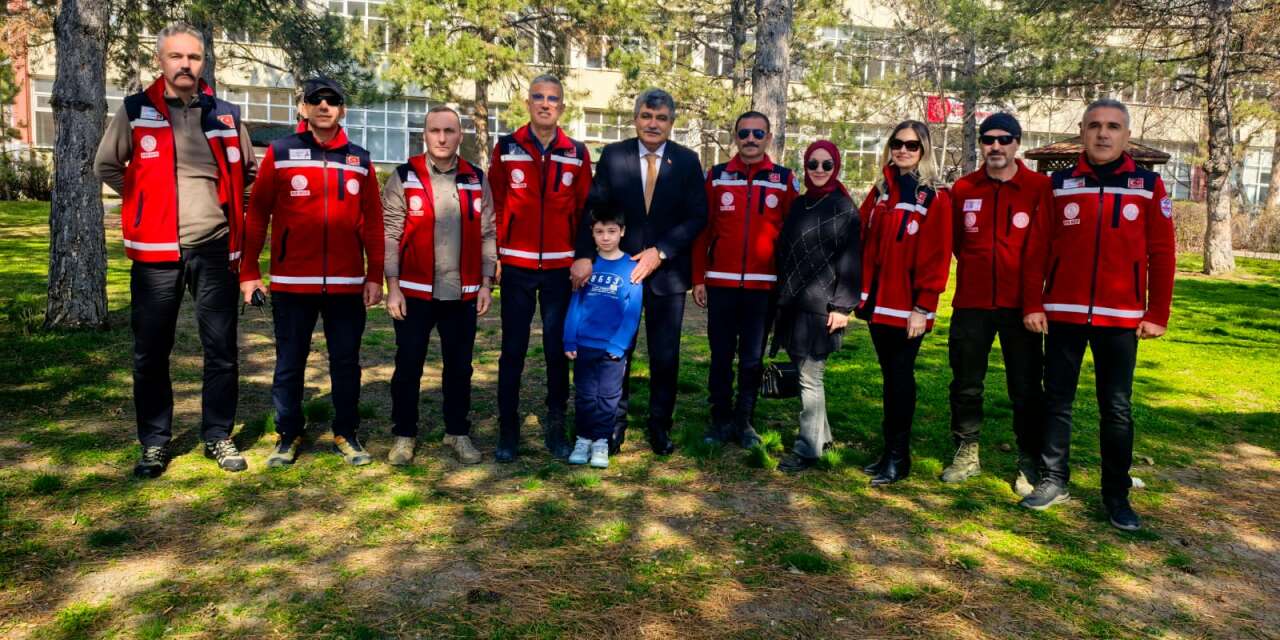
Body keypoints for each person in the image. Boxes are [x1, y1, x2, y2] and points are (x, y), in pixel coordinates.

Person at [94, 23, 257, 477]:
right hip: (154, 252)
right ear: (161, 61)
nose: (185, 65)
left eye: (194, 57)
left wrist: (234, 219)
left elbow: (247, 176)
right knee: (150, 351)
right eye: (176, 57)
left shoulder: (225, 114)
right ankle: (153, 441)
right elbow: (106, 164)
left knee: (221, 350)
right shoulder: (135, 111)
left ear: (203, 62)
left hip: (215, 250)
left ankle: (218, 435)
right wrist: (145, 199)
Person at [1020, 99, 1175, 531]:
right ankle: (1053, 480)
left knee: (1117, 409)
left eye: (1112, 127)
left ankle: (1116, 495)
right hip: (1064, 313)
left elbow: (1163, 254)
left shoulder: (1148, 185)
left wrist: (1157, 311)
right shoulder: (1060, 183)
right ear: (1082, 132)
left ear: (1127, 135)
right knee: (1057, 401)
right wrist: (1033, 302)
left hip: (1121, 318)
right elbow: (1037, 248)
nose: (1103, 134)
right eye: (1094, 126)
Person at [240, 77, 384, 468]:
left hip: (347, 283)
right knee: (290, 362)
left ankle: (346, 432)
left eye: (332, 100)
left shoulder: (360, 160)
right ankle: (287, 434)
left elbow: (373, 222)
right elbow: (257, 215)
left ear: (342, 110)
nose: (324, 106)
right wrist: (248, 271)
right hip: (291, 282)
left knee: (346, 362)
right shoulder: (281, 152)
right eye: (316, 100)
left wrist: (375, 277)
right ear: (302, 107)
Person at [572, 88, 708, 456]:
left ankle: (660, 426)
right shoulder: (614, 156)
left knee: (665, 356)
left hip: (666, 275)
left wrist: (660, 252)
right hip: (618, 276)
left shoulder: (686, 160)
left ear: (671, 124)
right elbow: (596, 208)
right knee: (616, 352)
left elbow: (698, 216)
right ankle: (611, 427)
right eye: (647, 116)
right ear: (636, 119)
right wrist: (586, 255)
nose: (653, 124)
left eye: (661, 118)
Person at [941, 113, 1052, 496]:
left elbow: (1046, 247)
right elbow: (957, 243)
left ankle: (1028, 458)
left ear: (1017, 143)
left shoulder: (1039, 188)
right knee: (966, 383)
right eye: (988, 139)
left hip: (1021, 307)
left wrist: (1031, 300)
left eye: (1004, 139)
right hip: (971, 303)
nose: (996, 146)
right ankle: (967, 450)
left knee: (1025, 387)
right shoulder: (964, 188)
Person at [381, 106, 497, 466]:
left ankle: (457, 433)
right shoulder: (404, 176)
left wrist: (486, 282)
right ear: (425, 135)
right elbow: (390, 234)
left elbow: (488, 233)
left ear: (460, 135)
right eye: (435, 131)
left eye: (450, 131)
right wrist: (393, 286)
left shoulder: (476, 178)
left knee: (460, 368)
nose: (443, 138)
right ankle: (404, 435)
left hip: (462, 293)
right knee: (409, 365)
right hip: (414, 293)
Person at [489, 75, 593, 462]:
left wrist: (583, 254)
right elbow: (495, 205)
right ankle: (508, 430)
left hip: (560, 270)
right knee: (511, 350)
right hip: (515, 266)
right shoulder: (506, 148)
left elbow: (586, 212)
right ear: (527, 103)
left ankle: (555, 427)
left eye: (553, 99)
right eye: (538, 98)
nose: (545, 104)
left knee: (556, 351)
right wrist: (495, 255)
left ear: (562, 107)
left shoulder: (576, 152)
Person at [691, 111, 799, 448]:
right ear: (735, 137)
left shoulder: (783, 179)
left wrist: (787, 285)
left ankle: (745, 420)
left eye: (757, 133)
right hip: (721, 284)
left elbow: (794, 236)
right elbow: (702, 231)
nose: (750, 139)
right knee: (721, 355)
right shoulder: (718, 176)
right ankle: (720, 418)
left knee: (752, 357)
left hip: (763, 287)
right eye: (744, 133)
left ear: (768, 137)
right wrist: (698, 278)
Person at [855, 120, 952, 486]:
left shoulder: (935, 195)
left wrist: (923, 307)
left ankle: (899, 457)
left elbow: (937, 255)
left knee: (900, 377)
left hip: (908, 306)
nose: (903, 151)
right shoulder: (881, 189)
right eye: (897, 144)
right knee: (889, 377)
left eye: (912, 146)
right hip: (880, 302)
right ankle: (888, 451)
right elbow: (860, 234)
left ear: (923, 150)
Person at [774, 141, 861, 473]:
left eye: (827, 165)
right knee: (803, 373)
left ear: (836, 167)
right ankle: (822, 437)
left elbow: (851, 261)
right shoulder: (799, 205)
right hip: (793, 302)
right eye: (813, 164)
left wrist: (842, 306)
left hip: (822, 306)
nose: (820, 170)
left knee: (811, 376)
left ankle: (807, 449)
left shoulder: (844, 209)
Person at [564, 210, 644, 469]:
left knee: (608, 396)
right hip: (585, 344)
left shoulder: (631, 268)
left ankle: (601, 441)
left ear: (622, 232)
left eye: (611, 231)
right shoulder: (587, 266)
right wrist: (569, 339)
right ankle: (583, 439)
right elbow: (575, 304)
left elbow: (633, 312)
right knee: (585, 394)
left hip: (612, 349)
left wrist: (619, 345)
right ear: (592, 234)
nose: (606, 237)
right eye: (599, 232)